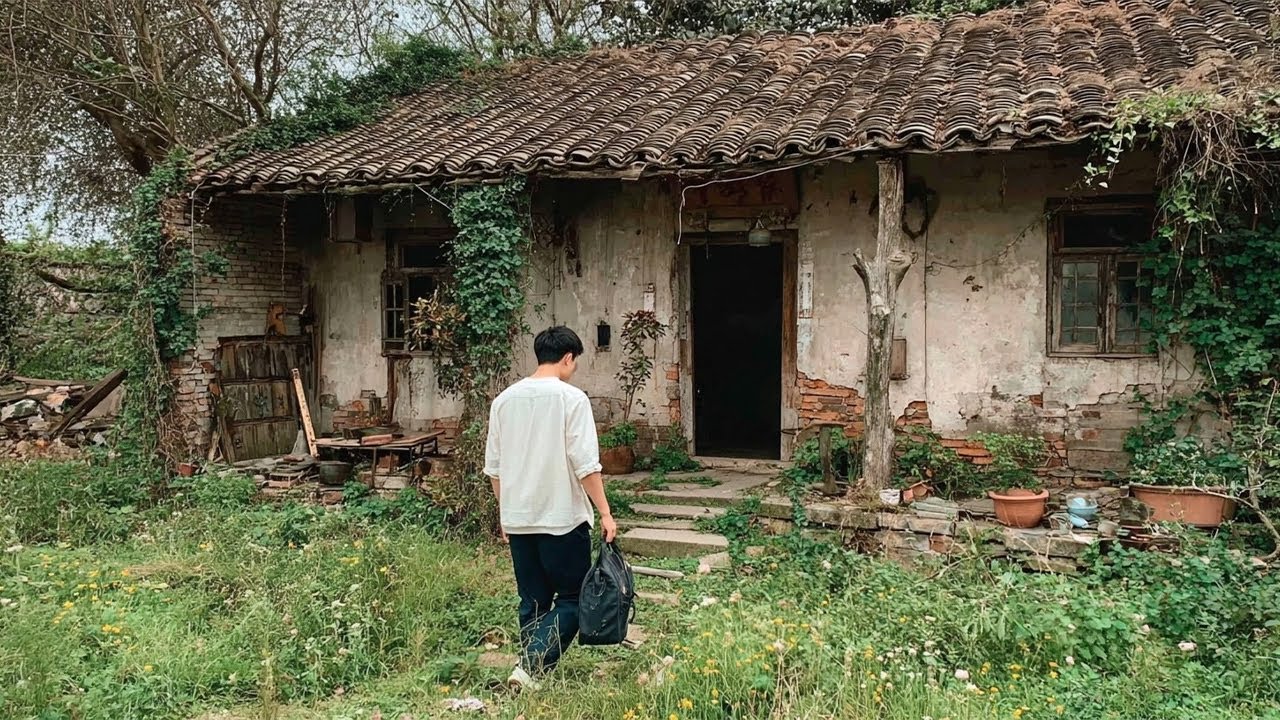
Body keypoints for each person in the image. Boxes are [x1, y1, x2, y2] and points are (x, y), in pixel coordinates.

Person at [483, 326, 618, 690]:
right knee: (575, 597)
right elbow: (586, 463)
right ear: (568, 358)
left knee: (533, 600)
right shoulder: (571, 399)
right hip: (561, 518)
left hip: (519, 517)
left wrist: (505, 513)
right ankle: (528, 669)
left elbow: (494, 469)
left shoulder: (504, 401)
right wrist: (605, 511)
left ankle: (530, 674)